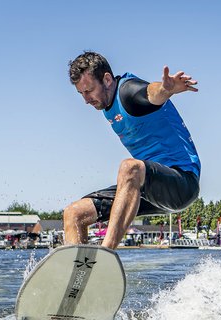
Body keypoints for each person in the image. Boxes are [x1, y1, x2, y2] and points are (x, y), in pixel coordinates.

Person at [64, 51, 201, 249]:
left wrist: (165, 89)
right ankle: (79, 266)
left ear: (107, 79)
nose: (86, 99)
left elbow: (150, 93)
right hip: (145, 188)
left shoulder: (128, 92)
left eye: (89, 90)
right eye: (81, 93)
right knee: (74, 213)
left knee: (129, 168)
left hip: (182, 183)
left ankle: (106, 253)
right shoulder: (106, 103)